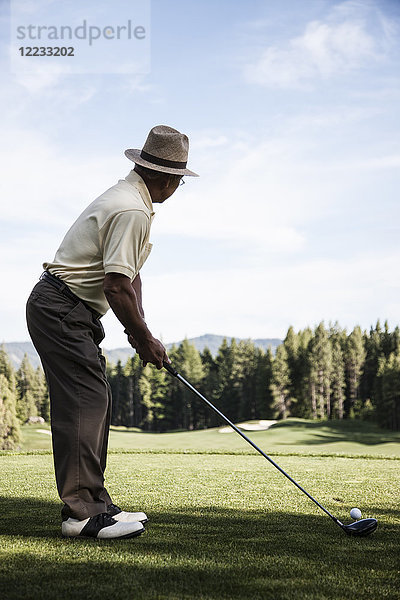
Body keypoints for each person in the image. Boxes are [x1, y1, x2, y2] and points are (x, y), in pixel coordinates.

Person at [26, 125, 198, 540]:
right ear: (167, 178)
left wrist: (142, 332)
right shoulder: (132, 210)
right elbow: (115, 286)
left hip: (69, 309)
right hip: (62, 307)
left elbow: (129, 275)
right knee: (85, 403)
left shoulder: (133, 201)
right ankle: (81, 514)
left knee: (95, 399)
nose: (178, 187)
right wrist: (142, 337)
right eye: (179, 180)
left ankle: (95, 502)